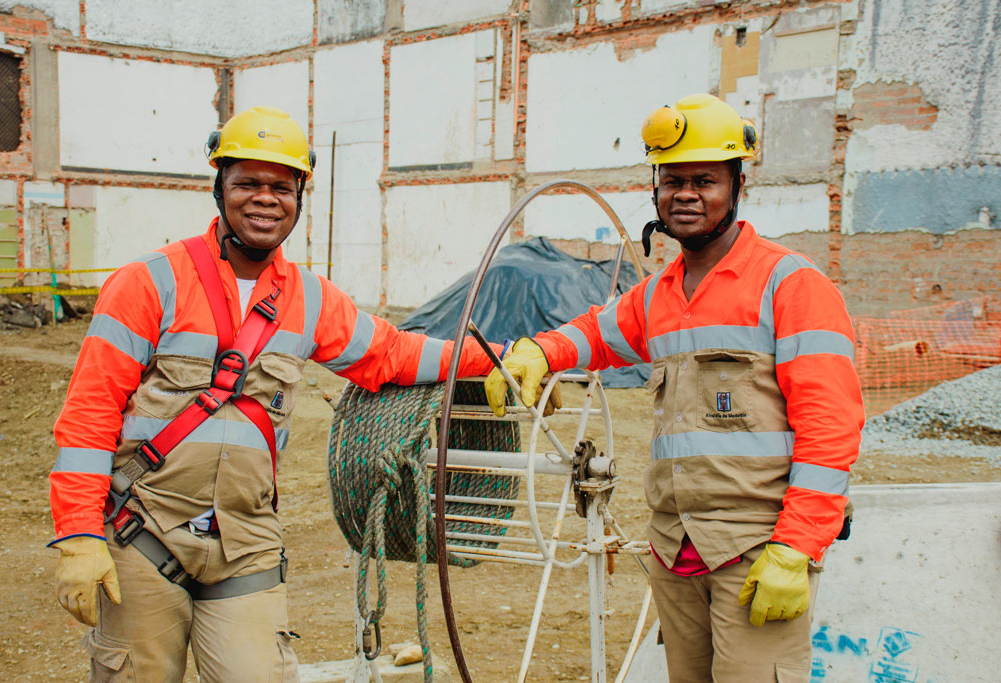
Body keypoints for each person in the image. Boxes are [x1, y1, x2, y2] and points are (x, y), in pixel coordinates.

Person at [49, 106, 500, 682]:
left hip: (247, 539)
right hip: (142, 532)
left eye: (281, 187)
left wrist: (498, 360)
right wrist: (79, 536)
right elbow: (90, 414)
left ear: (299, 197)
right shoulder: (149, 281)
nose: (265, 198)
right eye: (248, 183)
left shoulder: (309, 298)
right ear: (220, 188)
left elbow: (392, 355)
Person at [485, 94, 864, 682]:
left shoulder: (791, 284)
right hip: (675, 547)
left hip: (757, 551)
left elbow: (831, 424)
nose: (685, 194)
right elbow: (598, 334)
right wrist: (540, 350)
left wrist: (799, 545)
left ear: (738, 186)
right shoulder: (660, 292)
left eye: (704, 180)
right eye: (671, 180)